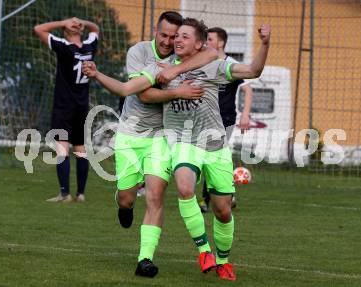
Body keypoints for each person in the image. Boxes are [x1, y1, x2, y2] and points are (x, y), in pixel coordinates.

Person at [82, 18, 270, 281]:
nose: (176, 41)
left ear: (198, 43)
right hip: (179, 141)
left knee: (223, 210)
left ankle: (223, 260)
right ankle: (204, 251)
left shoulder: (213, 64)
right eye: (174, 36)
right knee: (178, 189)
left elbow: (251, 70)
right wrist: (98, 74)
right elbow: (129, 89)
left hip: (214, 145)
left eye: (183, 36)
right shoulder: (156, 65)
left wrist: (265, 43)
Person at [86, 11, 217, 278]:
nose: (169, 41)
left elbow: (212, 53)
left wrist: (178, 69)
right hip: (131, 134)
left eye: (174, 36)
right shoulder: (140, 53)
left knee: (156, 197)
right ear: (154, 32)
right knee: (126, 198)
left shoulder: (180, 58)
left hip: (161, 136)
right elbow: (140, 94)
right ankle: (125, 205)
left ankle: (145, 259)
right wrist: (178, 91)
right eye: (164, 35)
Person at [34, 18, 99, 203]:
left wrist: (63, 22)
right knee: (81, 149)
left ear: (64, 32)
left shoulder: (63, 46)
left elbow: (38, 28)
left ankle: (65, 194)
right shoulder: (89, 46)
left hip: (64, 106)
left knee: (62, 149)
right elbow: (96, 28)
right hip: (82, 105)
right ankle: (81, 194)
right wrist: (82, 23)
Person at [198, 27, 255, 213]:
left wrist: (245, 114)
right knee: (207, 157)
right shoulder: (204, 62)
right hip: (205, 117)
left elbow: (247, 89)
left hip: (226, 119)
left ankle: (208, 200)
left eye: (210, 39)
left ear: (221, 43)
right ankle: (226, 194)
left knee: (212, 156)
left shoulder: (231, 64)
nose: (206, 42)